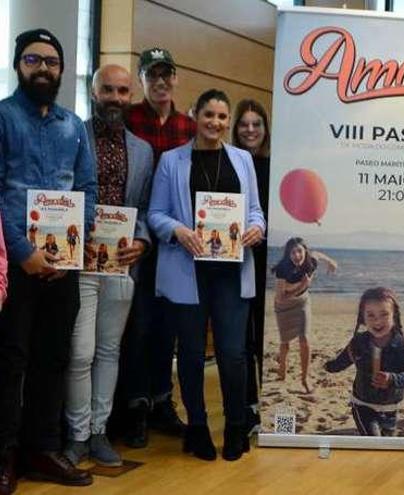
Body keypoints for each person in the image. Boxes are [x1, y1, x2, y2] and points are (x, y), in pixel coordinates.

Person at [0, 28, 98, 490]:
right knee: (10, 360)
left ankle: (43, 449)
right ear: (19, 65)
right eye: (34, 60)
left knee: (53, 358)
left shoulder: (73, 126)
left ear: (61, 70)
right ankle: (5, 456)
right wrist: (22, 252)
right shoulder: (2, 118)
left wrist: (71, 247)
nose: (43, 68)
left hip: (65, 266)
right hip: (13, 266)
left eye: (52, 62)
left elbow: (88, 189)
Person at [148, 89, 265, 461]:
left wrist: (255, 229)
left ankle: (234, 427)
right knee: (193, 355)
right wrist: (178, 231)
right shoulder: (171, 161)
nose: (215, 122)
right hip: (189, 271)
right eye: (208, 115)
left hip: (231, 273)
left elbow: (256, 213)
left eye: (221, 116)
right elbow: (155, 214)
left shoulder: (243, 159)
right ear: (195, 115)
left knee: (232, 354)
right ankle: (197, 427)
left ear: (227, 121)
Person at [62, 63, 153, 468]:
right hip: (79, 262)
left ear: (130, 96)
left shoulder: (143, 150)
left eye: (122, 91)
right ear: (94, 93)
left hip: (121, 264)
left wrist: (142, 241)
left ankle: (99, 432)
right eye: (108, 91)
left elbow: (148, 208)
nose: (115, 98)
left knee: (109, 351)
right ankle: (76, 435)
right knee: (80, 354)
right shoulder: (71, 135)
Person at [120, 47, 196, 446]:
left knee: (168, 328)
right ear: (142, 79)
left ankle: (163, 402)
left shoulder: (189, 126)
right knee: (138, 326)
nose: (161, 81)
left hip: (177, 245)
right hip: (134, 241)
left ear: (176, 78)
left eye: (167, 74)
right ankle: (135, 406)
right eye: (153, 75)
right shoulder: (127, 118)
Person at [324, 287, 404, 437]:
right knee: (374, 440)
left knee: (386, 443)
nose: (377, 320)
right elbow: (343, 361)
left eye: (384, 314)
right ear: (363, 317)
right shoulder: (359, 342)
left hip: (390, 407)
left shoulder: (401, 345)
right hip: (362, 404)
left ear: (394, 316)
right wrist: (328, 367)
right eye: (371, 315)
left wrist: (392, 379)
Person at [232, 99, 271, 435]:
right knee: (242, 340)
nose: (250, 129)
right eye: (244, 123)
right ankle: (247, 406)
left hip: (267, 265)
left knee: (264, 337)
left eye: (256, 124)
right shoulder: (230, 165)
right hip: (237, 261)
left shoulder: (275, 166)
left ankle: (267, 404)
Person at [272, 237, 337, 393]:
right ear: (288, 255)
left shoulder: (311, 262)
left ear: (305, 252)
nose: (296, 255)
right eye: (292, 252)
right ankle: (282, 370)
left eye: (299, 251)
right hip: (284, 305)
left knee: (304, 339)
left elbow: (318, 254)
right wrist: (302, 285)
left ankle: (304, 379)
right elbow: (281, 297)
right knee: (285, 342)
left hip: (302, 302)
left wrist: (331, 262)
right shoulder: (283, 269)